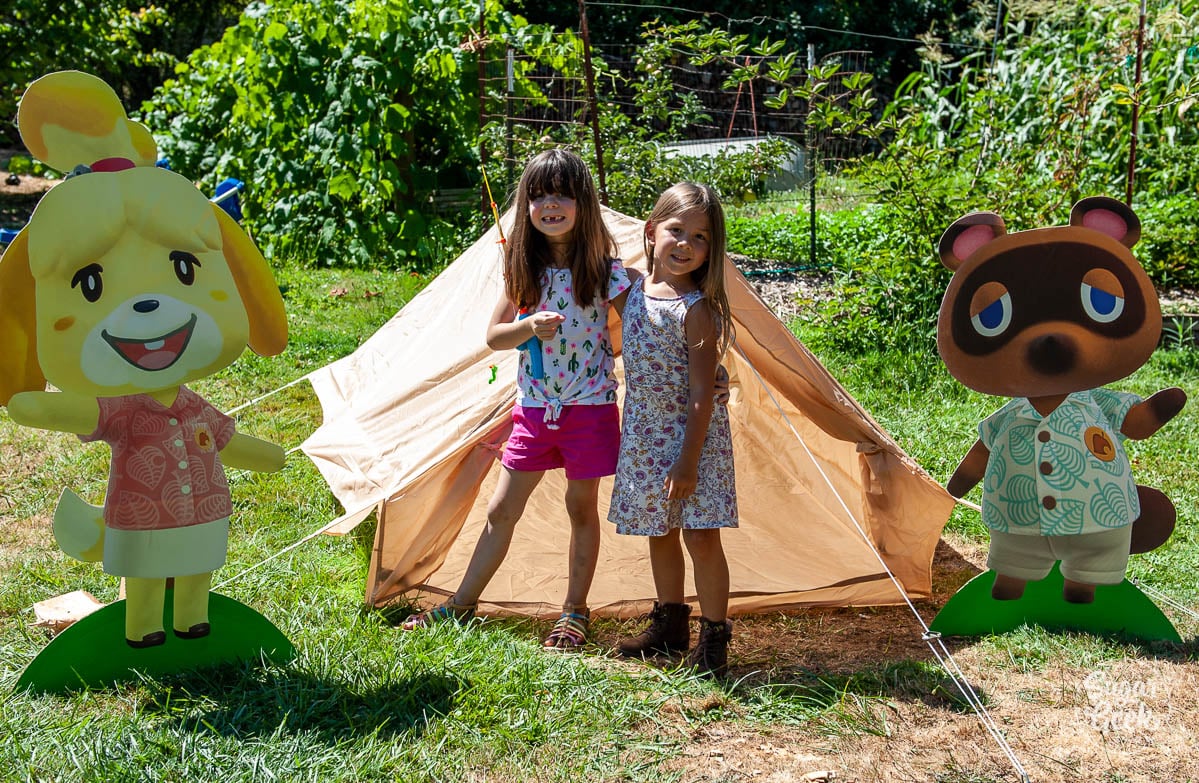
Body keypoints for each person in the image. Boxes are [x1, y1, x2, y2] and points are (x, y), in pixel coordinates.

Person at [402, 148, 630, 649]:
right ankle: (460, 606)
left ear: (583, 203)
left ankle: (574, 611)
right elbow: (494, 336)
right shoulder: (521, 267)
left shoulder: (605, 269)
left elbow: (641, 324)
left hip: (588, 411)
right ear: (525, 204)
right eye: (540, 194)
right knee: (501, 509)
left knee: (580, 508)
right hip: (532, 410)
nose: (552, 204)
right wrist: (527, 325)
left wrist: (700, 359)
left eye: (563, 194)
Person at [609, 182, 738, 678]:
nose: (685, 244)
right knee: (657, 531)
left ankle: (714, 639)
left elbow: (704, 396)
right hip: (644, 434)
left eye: (700, 237)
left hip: (693, 442)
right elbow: (585, 263)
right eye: (676, 230)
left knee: (701, 537)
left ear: (711, 249)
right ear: (651, 231)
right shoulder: (628, 291)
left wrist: (687, 460)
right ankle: (668, 625)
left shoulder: (697, 309)